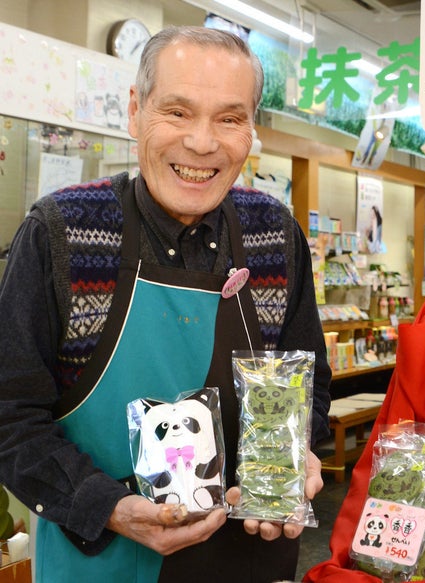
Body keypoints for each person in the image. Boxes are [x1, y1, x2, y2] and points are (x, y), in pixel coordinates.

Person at [0, 25, 331, 583]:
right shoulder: (61, 232)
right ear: (135, 111)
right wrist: (105, 505)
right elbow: (10, 415)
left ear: (251, 128)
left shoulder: (275, 234)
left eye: (229, 118)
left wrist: (296, 459)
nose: (202, 143)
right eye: (177, 112)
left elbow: (310, 385)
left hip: (246, 560)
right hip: (101, 561)